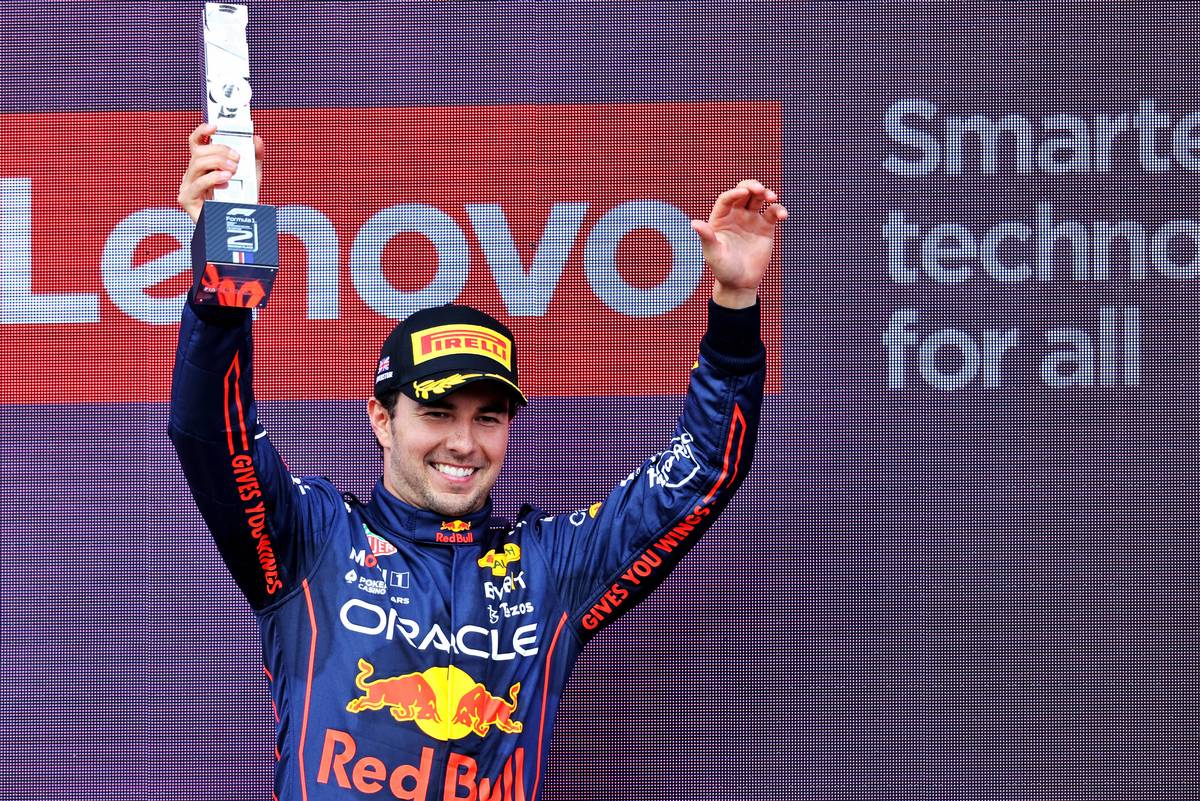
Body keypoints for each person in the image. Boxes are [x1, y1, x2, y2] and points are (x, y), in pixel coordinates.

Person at [171, 121, 787, 801]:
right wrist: (221, 283)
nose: (464, 442)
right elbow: (208, 429)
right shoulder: (311, 539)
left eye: (487, 416)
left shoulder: (549, 568)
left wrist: (734, 307)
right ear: (381, 418)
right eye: (437, 413)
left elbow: (702, 468)